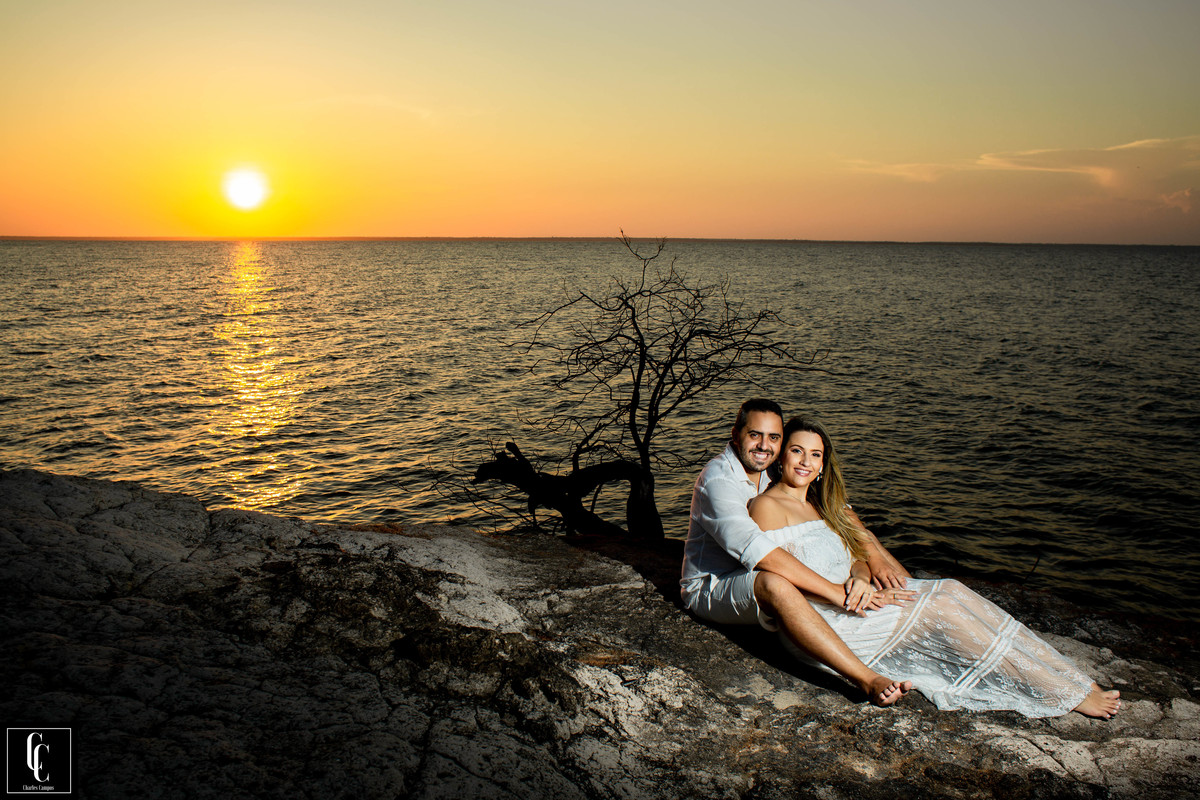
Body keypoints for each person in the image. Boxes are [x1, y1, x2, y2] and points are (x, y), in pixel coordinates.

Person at [747, 414, 1122, 719]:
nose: (805, 462)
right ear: (782, 456)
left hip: (857, 599)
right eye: (797, 451)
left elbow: (856, 557)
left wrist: (861, 578)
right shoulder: (767, 506)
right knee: (940, 609)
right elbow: (783, 576)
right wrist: (848, 593)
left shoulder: (822, 503)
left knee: (952, 590)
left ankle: (1072, 678)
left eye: (815, 455)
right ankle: (1058, 693)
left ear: (823, 463)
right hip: (825, 619)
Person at [681, 399, 916, 706]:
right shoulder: (719, 480)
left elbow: (839, 509)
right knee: (774, 582)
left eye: (774, 438)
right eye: (755, 435)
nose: (764, 445)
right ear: (736, 434)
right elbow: (759, 552)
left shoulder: (768, 468)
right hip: (714, 585)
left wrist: (872, 554)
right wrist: (835, 592)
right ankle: (867, 680)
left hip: (749, 571)